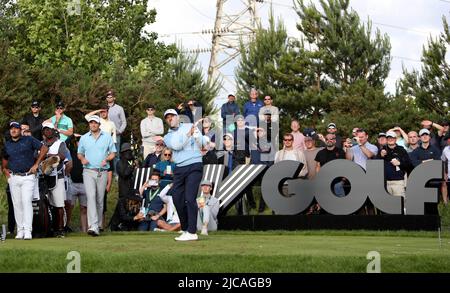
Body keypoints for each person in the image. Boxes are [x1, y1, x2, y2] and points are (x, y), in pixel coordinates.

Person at [163, 109, 208, 241]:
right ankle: (185, 229)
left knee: (189, 198)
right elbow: (176, 146)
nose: (170, 119)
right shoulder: (168, 136)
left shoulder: (189, 126)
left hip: (194, 165)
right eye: (167, 118)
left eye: (172, 116)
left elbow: (203, 144)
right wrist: (189, 134)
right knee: (177, 198)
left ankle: (192, 232)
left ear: (178, 117)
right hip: (179, 168)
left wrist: (198, 136)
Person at [2, 121, 46, 240]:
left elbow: (44, 148)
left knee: (26, 202)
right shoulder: (7, 144)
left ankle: (28, 231)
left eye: (16, 128)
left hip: (28, 176)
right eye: (11, 129)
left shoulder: (29, 140)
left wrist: (37, 164)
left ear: (20, 130)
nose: (13, 130)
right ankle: (20, 230)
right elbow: (5, 159)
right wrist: (5, 170)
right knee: (17, 204)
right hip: (14, 177)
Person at [77, 115, 116, 236]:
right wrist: (82, 159)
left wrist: (107, 159)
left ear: (99, 124)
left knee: (99, 199)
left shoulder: (107, 137)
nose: (93, 125)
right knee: (91, 196)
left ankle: (98, 224)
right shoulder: (84, 138)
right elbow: (79, 153)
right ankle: (93, 226)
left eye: (95, 123)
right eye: (91, 123)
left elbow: (113, 153)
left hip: (102, 171)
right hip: (88, 171)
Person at [40, 122, 68, 238]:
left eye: (49, 129)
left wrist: (48, 156)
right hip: (43, 177)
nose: (47, 131)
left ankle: (60, 228)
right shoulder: (40, 144)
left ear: (54, 131)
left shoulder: (60, 143)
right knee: (45, 205)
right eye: (45, 130)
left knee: (59, 205)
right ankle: (48, 228)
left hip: (58, 176)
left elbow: (61, 156)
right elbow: (35, 156)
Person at [377, 131, 412, 199]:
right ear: (386, 139)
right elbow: (375, 164)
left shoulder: (401, 150)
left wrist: (400, 163)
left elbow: (409, 165)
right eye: (389, 138)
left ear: (395, 139)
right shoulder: (382, 150)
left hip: (398, 182)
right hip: (385, 182)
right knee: (388, 206)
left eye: (392, 138)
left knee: (400, 204)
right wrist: (380, 156)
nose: (390, 139)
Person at [65, 134, 88, 233]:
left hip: (84, 184)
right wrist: (72, 135)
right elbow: (64, 144)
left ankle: (84, 230)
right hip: (73, 184)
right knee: (69, 207)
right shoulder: (71, 152)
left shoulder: (88, 153)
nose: (80, 144)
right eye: (78, 141)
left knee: (84, 209)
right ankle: (66, 227)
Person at [105, 89, 127, 171]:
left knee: (116, 154)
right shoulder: (103, 109)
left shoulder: (119, 108)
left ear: (114, 98)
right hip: (105, 135)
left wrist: (120, 131)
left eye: (111, 97)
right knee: (104, 154)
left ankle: (117, 173)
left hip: (116, 135)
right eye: (108, 97)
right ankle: (107, 172)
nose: (109, 98)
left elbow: (124, 122)